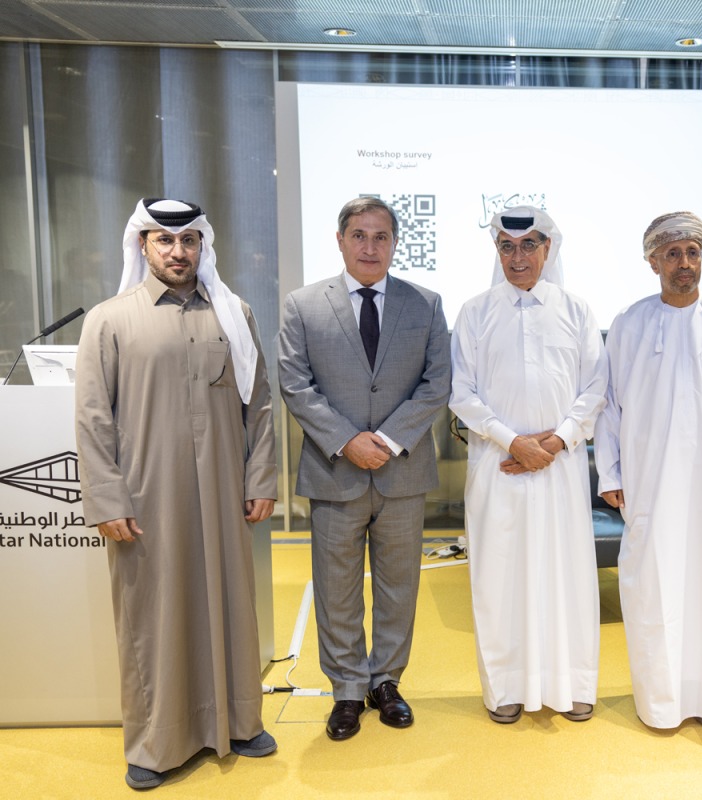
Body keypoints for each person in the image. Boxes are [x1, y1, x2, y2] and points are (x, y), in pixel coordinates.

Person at [75, 198, 277, 790]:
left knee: (230, 601)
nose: (178, 252)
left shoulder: (234, 314)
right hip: (146, 494)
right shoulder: (110, 320)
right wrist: (106, 499)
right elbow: (92, 417)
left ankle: (239, 722)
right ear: (143, 246)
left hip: (221, 489)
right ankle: (154, 743)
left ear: (203, 247)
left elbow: (258, 404)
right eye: (164, 241)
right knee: (152, 615)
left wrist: (260, 478)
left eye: (189, 240)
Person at [277, 197, 451, 742]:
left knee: (399, 586)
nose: (369, 246)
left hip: (402, 473)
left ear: (395, 242)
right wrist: (347, 440)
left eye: (380, 236)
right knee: (337, 588)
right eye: (359, 235)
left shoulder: (424, 303)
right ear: (340, 240)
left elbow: (436, 382)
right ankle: (348, 688)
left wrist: (392, 440)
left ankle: (386, 682)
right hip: (335, 471)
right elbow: (294, 383)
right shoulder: (303, 305)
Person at [594, 211, 702, 732]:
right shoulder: (629, 322)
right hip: (650, 484)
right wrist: (611, 474)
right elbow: (609, 407)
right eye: (673, 254)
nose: (685, 263)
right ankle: (661, 703)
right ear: (653, 261)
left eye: (693, 252)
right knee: (655, 586)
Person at [449, 207, 607, 724]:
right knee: (499, 577)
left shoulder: (578, 310)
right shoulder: (474, 312)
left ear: (548, 249)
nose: (518, 257)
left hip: (559, 469)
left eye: (528, 245)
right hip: (497, 467)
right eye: (507, 247)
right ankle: (506, 689)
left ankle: (572, 684)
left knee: (568, 575)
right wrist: (513, 441)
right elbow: (462, 394)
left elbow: (594, 389)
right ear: (497, 252)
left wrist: (556, 443)